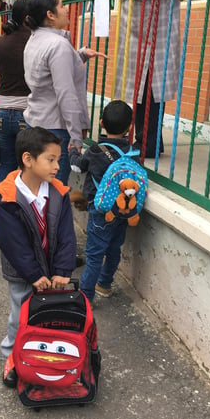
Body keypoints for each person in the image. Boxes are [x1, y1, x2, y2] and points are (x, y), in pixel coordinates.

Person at [0, 126, 77, 387]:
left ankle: (43, 356)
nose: (56, 166)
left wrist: (62, 270)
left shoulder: (58, 193)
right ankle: (11, 357)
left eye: (58, 160)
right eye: (50, 160)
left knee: (49, 314)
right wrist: (33, 274)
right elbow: (13, 244)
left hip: (51, 268)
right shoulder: (7, 199)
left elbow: (66, 236)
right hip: (22, 272)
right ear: (28, 160)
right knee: (20, 315)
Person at [106, 0, 189, 158]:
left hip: (157, 31)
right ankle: (145, 141)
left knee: (153, 89)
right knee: (138, 90)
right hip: (133, 32)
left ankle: (148, 145)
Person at [23, 0, 106, 185]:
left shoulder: (35, 39)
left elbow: (49, 73)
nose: (66, 9)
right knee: (52, 192)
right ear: (50, 15)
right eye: (61, 6)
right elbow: (65, 93)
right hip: (55, 129)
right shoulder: (58, 45)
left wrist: (81, 55)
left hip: (36, 122)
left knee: (37, 189)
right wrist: (76, 136)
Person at [69, 100, 136, 303]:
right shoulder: (133, 153)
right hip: (122, 209)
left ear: (101, 123)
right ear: (129, 127)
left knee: (95, 255)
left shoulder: (96, 151)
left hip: (100, 211)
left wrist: (73, 150)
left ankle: (86, 298)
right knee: (114, 248)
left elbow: (78, 167)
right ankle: (105, 285)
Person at [0, 0, 31, 230]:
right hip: (27, 112)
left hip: (0, 111)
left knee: (7, 163)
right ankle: (20, 219)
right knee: (27, 168)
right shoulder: (36, 42)